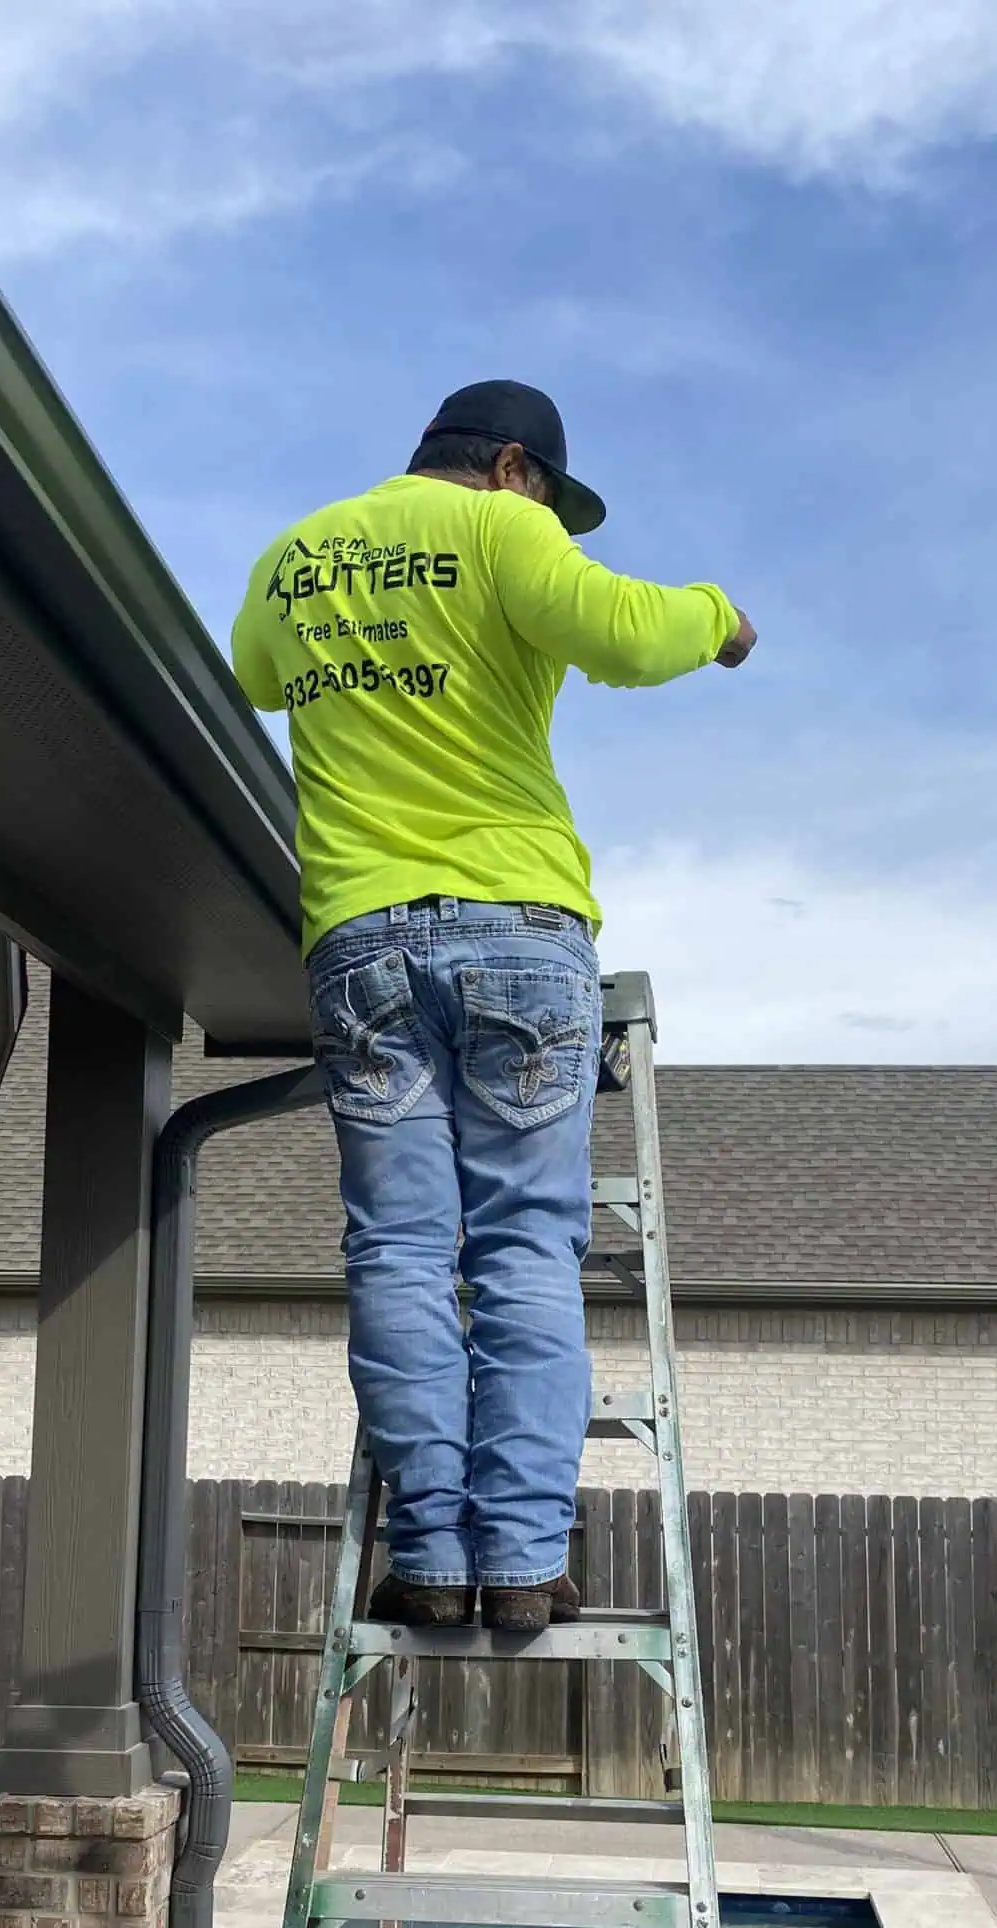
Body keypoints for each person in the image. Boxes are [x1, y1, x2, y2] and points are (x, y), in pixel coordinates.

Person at [232, 380, 755, 1633]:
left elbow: (255, 673)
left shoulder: (298, 554)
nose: (555, 526)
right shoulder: (505, 530)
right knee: (523, 1246)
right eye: (551, 502)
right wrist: (721, 618)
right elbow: (629, 635)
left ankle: (429, 1555)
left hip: (358, 938)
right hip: (514, 929)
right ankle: (520, 1560)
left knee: (401, 1250)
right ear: (511, 466)